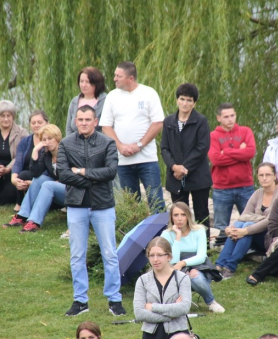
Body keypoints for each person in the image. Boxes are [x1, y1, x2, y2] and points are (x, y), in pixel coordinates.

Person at [58, 105, 126, 316]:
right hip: (76, 206)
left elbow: (111, 171)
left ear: (95, 121)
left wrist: (82, 171)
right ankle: (80, 301)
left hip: (102, 205)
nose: (84, 123)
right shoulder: (65, 143)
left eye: (88, 119)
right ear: (75, 121)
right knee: (77, 255)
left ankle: (114, 299)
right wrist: (91, 180)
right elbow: (62, 174)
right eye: (80, 119)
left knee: (110, 254)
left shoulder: (107, 142)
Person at [100, 61, 165, 213]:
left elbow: (157, 123)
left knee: (156, 202)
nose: (114, 78)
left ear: (130, 78)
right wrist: (120, 146)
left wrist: (139, 145)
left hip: (147, 160)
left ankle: (161, 236)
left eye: (118, 76)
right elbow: (106, 126)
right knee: (131, 206)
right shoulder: (112, 96)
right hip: (123, 161)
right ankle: (135, 236)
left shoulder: (149, 93)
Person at [216, 162, 278, 279]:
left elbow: (270, 221)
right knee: (240, 224)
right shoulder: (258, 193)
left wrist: (247, 230)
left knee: (246, 225)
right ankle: (218, 266)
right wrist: (231, 228)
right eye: (261, 175)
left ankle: (229, 267)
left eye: (267, 175)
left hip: (271, 237)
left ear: (275, 176)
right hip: (255, 234)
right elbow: (244, 215)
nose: (264, 178)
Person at [161, 83, 212, 237]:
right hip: (175, 177)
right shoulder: (169, 122)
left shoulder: (201, 121)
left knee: (201, 214)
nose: (185, 103)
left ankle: (205, 249)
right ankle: (181, 244)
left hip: (198, 176)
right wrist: (173, 167)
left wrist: (184, 168)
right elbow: (164, 148)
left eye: (189, 100)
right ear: (177, 100)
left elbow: (202, 148)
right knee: (179, 215)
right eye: (182, 99)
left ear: (194, 103)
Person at [134, 237, 192, 339]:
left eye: (160, 255)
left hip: (178, 336)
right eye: (151, 255)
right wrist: (172, 314)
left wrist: (153, 307)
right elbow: (139, 313)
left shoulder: (182, 278)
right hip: (152, 338)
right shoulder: (143, 280)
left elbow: (184, 308)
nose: (155, 259)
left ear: (169, 256)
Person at [161, 202, 225, 313]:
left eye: (183, 214)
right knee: (185, 277)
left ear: (188, 216)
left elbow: (201, 256)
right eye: (176, 215)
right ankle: (179, 303)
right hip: (174, 266)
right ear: (171, 217)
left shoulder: (198, 230)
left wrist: (183, 263)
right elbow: (173, 260)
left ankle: (211, 302)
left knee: (196, 277)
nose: (179, 218)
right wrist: (177, 237)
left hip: (197, 263)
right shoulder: (166, 234)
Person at [3, 124, 65, 233]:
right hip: (59, 187)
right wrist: (35, 151)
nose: (47, 142)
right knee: (39, 179)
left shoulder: (67, 152)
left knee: (47, 184)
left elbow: (75, 173)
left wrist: (60, 181)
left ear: (57, 138)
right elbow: (35, 173)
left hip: (73, 191)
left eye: (50, 139)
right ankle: (22, 216)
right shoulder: (47, 154)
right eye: (44, 140)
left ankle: (34, 222)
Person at [208, 102, 256, 231]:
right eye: (226, 117)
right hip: (222, 189)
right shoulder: (213, 136)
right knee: (221, 226)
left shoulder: (245, 131)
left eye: (232, 115)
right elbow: (216, 159)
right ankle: (220, 250)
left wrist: (227, 152)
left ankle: (253, 248)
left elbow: (250, 152)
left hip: (245, 186)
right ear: (219, 118)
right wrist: (240, 153)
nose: (230, 119)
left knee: (251, 222)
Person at [11, 110, 49, 212]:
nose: (36, 125)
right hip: (25, 176)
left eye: (40, 122)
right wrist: (14, 179)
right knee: (21, 176)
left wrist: (34, 182)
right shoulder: (24, 141)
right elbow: (18, 162)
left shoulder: (50, 141)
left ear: (47, 123)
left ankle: (20, 204)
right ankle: (20, 202)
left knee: (24, 175)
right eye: (33, 123)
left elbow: (50, 168)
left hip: (44, 176)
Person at [66, 66, 107, 136]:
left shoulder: (106, 101)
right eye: (81, 81)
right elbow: (69, 129)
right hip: (75, 144)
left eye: (87, 82)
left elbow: (107, 128)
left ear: (96, 83)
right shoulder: (74, 101)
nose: (83, 85)